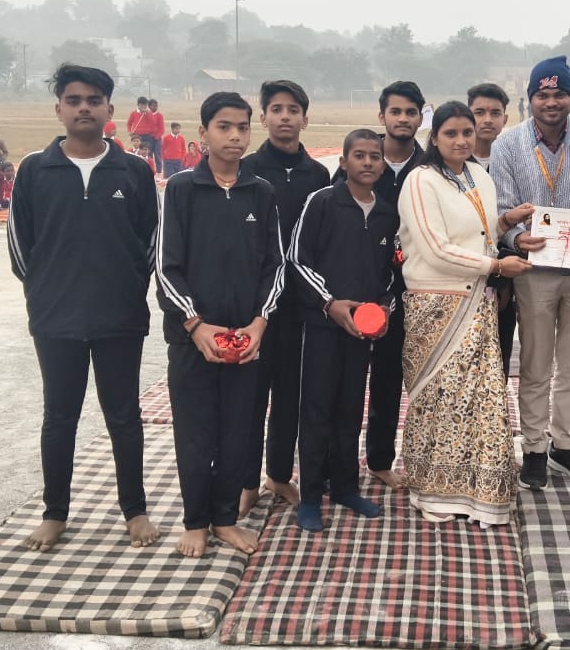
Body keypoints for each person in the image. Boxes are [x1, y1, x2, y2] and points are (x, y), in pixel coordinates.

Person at [8, 65, 161, 553]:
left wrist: (127, 287)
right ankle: (55, 513)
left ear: (110, 109)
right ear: (59, 109)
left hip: (120, 319)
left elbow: (151, 242)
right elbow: (20, 246)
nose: (84, 108)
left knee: (124, 416)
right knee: (59, 418)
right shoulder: (35, 170)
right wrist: (45, 292)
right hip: (56, 320)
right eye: (73, 100)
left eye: (94, 100)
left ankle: (135, 510)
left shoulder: (133, 171)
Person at [156, 91, 284, 558]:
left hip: (246, 339)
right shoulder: (181, 190)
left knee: (238, 429)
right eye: (224, 127)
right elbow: (165, 268)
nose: (235, 136)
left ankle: (225, 518)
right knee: (196, 431)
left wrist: (259, 324)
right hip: (193, 339)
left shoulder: (261, 192)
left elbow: (275, 266)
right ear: (203, 133)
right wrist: (196, 325)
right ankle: (195, 520)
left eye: (242, 127)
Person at [397, 101, 533, 525]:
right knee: (440, 398)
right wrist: (496, 266)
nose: (461, 141)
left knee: (480, 398)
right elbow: (435, 247)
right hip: (436, 302)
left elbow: (480, 232)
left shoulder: (478, 176)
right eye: (451, 133)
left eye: (467, 133)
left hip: (478, 300)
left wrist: (506, 221)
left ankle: (479, 492)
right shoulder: (421, 180)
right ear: (434, 137)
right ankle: (435, 492)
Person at [489, 55, 570, 491]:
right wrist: (517, 237)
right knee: (536, 362)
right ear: (531, 99)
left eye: (560, 94)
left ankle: (566, 443)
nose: (552, 102)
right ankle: (535, 448)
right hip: (534, 269)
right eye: (543, 94)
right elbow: (503, 207)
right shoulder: (507, 144)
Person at [287, 129, 397, 531]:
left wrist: (384, 309)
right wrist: (329, 303)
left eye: (375, 156)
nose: (367, 162)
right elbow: (296, 260)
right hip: (321, 327)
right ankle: (310, 496)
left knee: (351, 409)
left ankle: (346, 487)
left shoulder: (387, 213)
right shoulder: (322, 202)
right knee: (317, 409)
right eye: (359, 155)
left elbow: (391, 273)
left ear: (383, 165)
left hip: (361, 333)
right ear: (343, 161)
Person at [240, 79, 331, 516]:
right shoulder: (247, 170)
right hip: (256, 304)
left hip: (301, 305)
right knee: (252, 395)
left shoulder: (319, 176)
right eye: (276, 109)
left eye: (293, 110)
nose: (285, 117)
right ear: (263, 117)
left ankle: (278, 474)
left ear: (305, 119)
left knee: (290, 395)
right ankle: (245, 481)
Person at [339, 81, 426, 490]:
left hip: (410, 292)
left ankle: (379, 459)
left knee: (390, 379)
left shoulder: (428, 168)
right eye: (396, 111)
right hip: (356, 289)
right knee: (345, 380)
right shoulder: (364, 159)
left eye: (411, 112)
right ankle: (336, 460)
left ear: (421, 118)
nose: (403, 119)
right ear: (382, 116)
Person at [467, 82, 516, 376]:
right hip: (461, 276)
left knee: (497, 361)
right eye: (479, 112)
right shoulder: (452, 162)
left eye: (495, 113)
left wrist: (503, 281)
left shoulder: (513, 160)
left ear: (505, 119)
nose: (487, 119)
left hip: (503, 277)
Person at [147, 99, 166, 173]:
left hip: (157, 139)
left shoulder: (159, 115)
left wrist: (157, 136)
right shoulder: (146, 114)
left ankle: (159, 171)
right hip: (148, 137)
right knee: (149, 154)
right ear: (149, 106)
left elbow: (162, 129)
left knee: (157, 155)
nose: (155, 107)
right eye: (153, 106)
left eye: (156, 106)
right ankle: (149, 170)